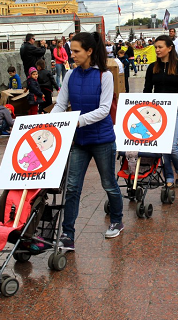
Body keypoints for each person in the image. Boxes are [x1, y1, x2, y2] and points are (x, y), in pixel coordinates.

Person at [51, 32, 124, 249]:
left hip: (102, 140)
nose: (71, 55)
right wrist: (50, 122)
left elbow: (103, 110)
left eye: (76, 51)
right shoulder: (70, 76)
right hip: (79, 142)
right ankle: (68, 234)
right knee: (72, 187)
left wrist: (76, 121)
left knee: (109, 184)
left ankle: (117, 220)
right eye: (70, 51)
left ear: (89, 51)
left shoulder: (105, 76)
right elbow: (60, 104)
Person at [143, 35, 178, 188]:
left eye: (160, 47)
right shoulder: (152, 67)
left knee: (171, 145)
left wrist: (171, 103)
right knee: (162, 146)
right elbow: (147, 91)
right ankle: (168, 176)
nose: (157, 50)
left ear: (169, 48)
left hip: (175, 110)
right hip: (157, 112)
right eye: (156, 47)